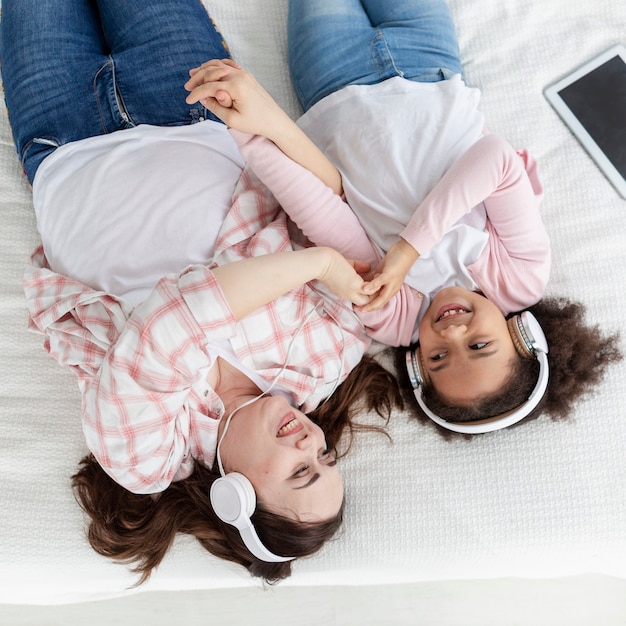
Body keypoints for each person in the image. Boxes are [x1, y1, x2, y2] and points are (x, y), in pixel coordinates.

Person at [0, 0, 402, 583]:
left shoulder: (145, 456)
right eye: (326, 456)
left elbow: (171, 322)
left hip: (60, 139)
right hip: (187, 101)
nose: (312, 442)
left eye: (300, 470)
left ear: (236, 497)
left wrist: (314, 264)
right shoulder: (326, 359)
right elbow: (331, 209)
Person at [185, 0, 622, 435]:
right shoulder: (519, 277)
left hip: (334, 81)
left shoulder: (392, 318)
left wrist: (252, 133)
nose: (452, 334)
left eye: (438, 358)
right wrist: (406, 252)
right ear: (522, 336)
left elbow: (327, 208)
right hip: (428, 59)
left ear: (416, 366)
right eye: (479, 345)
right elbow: (497, 161)